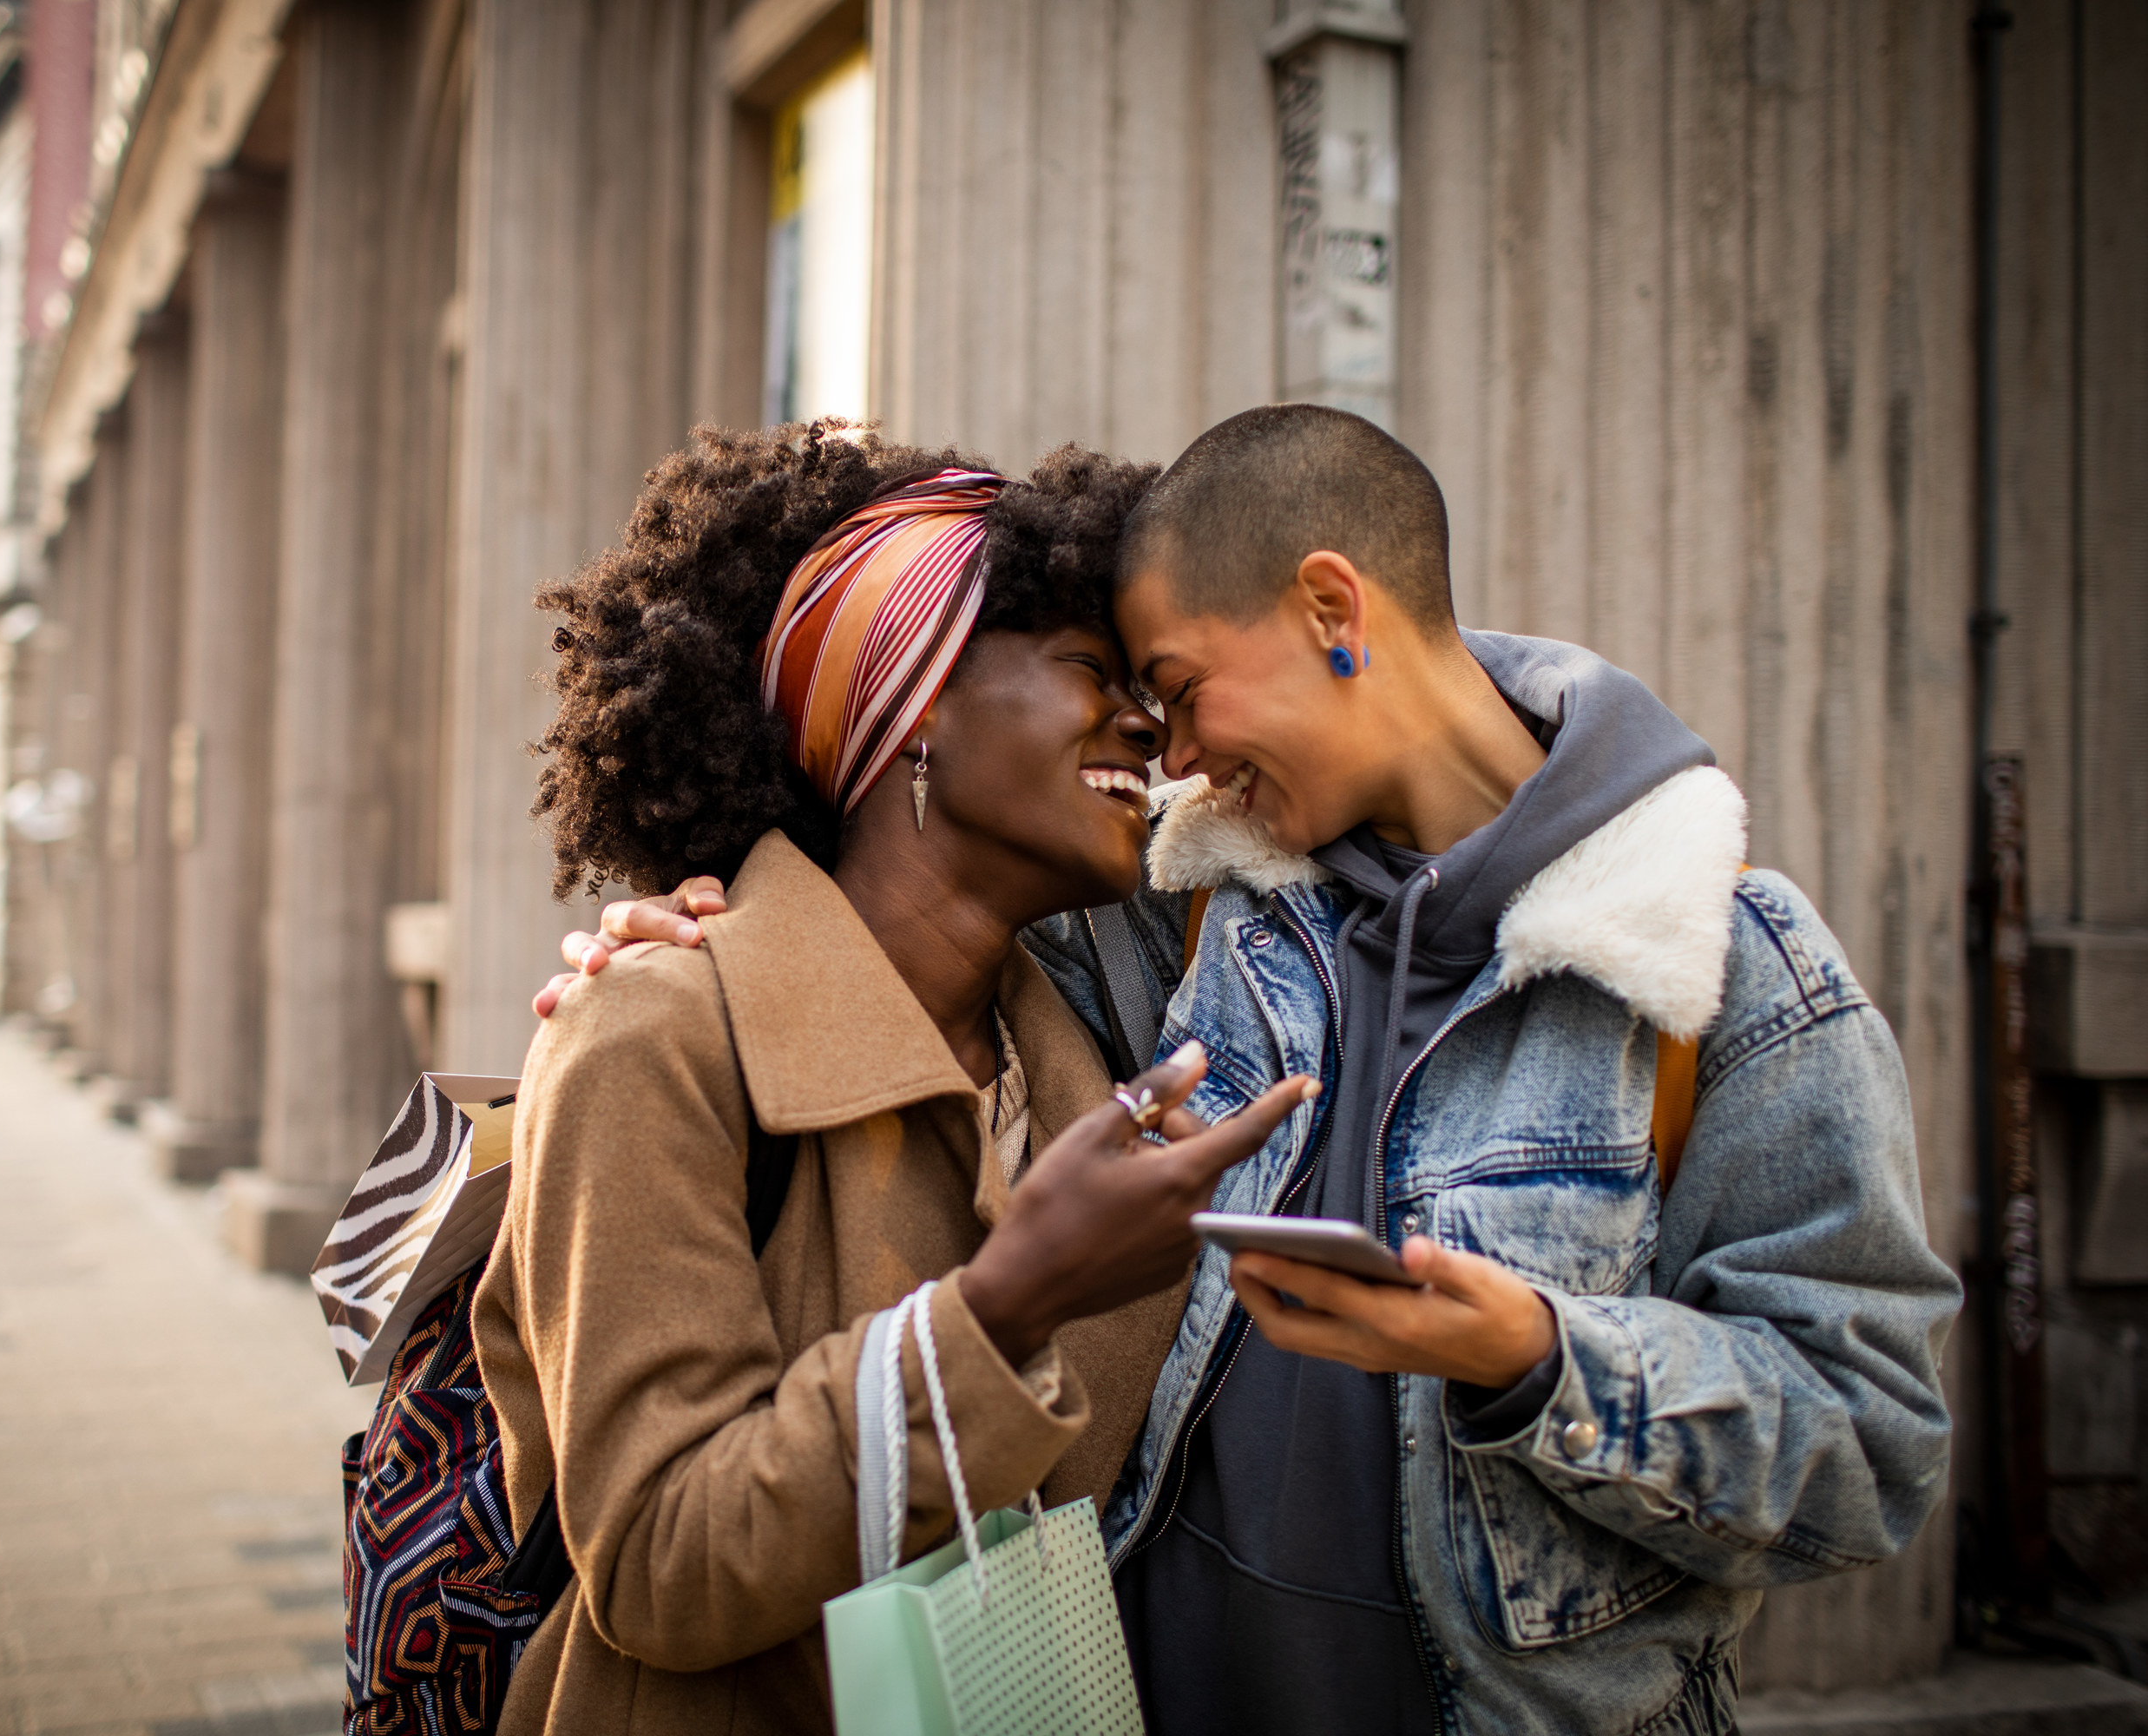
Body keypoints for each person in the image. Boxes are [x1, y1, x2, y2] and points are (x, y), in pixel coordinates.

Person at [548, 404, 1961, 1733]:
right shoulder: (1192, 916)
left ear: (1335, 614)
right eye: (1121, 685)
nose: (1167, 749)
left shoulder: (1722, 968)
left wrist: (1535, 1359)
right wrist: (680, 933)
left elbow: (1871, 1449)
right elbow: (875, 938)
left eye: (1166, 687)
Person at [476, 424, 1313, 1734]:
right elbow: (657, 1564)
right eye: (1092, 668)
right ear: (911, 697)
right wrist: (1001, 1310)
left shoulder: (1102, 1057)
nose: (1146, 724)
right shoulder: (653, 1035)